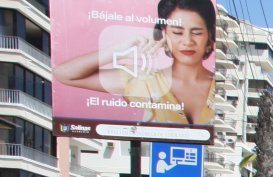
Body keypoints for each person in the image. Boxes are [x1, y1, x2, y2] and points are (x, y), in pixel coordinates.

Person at [53, 0, 217, 125]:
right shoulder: (146, 80)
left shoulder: (218, 86)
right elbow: (64, 74)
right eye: (178, 32)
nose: (187, 41)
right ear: (164, 34)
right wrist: (121, 48)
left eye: (196, 32)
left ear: (209, 37)